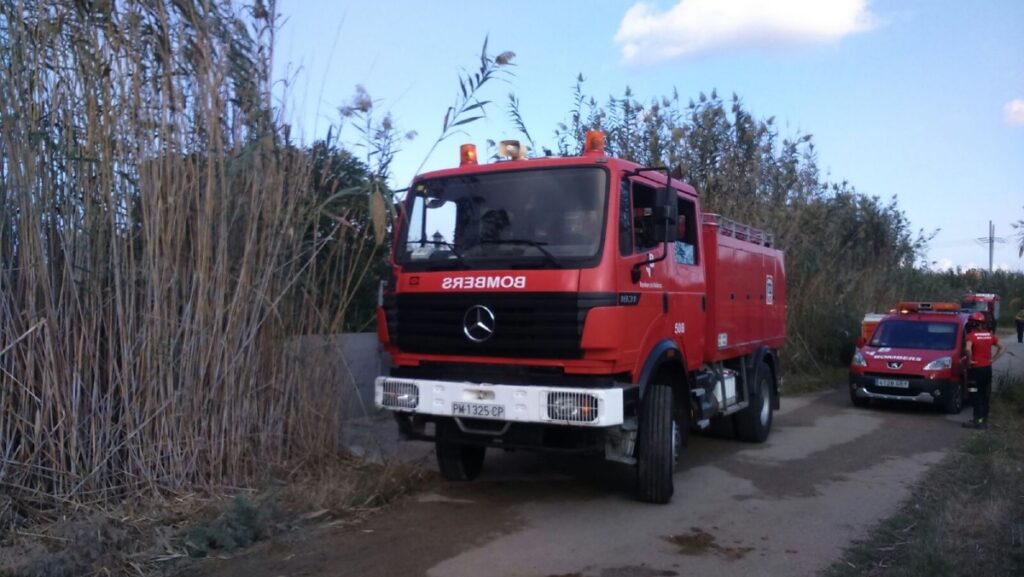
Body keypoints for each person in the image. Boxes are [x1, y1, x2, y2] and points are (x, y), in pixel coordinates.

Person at [963, 311, 1007, 429]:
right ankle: (984, 420)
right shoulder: (989, 335)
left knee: (974, 393)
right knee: (985, 394)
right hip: (987, 369)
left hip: (975, 370)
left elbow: (967, 349)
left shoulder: (971, 336)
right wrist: (993, 359)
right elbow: (1002, 347)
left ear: (973, 323)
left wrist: (969, 360)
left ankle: (977, 419)